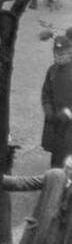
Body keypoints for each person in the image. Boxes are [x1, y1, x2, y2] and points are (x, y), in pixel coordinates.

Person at [0, 154, 72, 244]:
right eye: (67, 169)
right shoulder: (54, 176)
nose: (68, 173)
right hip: (41, 242)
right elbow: (25, 183)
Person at [41, 28, 72, 167]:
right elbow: (46, 92)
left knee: (67, 152)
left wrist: (67, 113)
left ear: (70, 53)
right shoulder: (52, 70)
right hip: (54, 119)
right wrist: (48, 109)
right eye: (56, 54)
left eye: (62, 54)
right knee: (56, 151)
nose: (58, 58)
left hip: (69, 122)